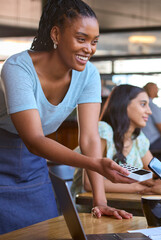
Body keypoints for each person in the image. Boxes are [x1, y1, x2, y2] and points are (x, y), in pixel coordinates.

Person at [0, 0, 132, 234]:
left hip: (33, 164)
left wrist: (99, 201)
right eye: (81, 39)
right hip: (14, 149)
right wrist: (95, 164)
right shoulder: (17, 67)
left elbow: (90, 139)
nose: (89, 49)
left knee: (46, 231)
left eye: (94, 42)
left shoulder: (89, 74)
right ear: (56, 34)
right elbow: (34, 140)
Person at [71, 84, 154, 198]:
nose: (149, 111)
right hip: (91, 208)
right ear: (124, 105)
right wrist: (139, 187)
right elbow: (89, 183)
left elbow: (153, 173)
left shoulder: (138, 139)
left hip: (124, 205)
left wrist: (156, 183)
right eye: (143, 104)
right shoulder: (104, 130)